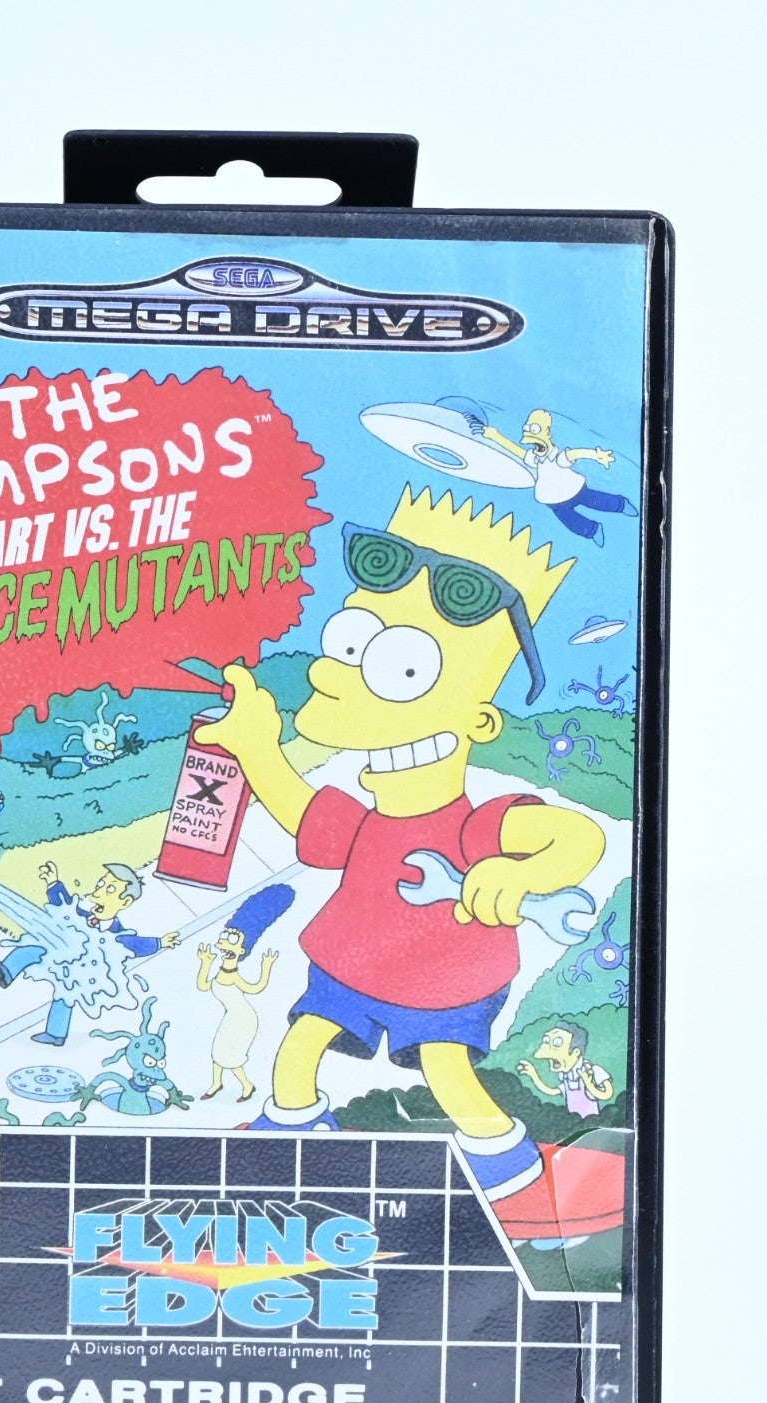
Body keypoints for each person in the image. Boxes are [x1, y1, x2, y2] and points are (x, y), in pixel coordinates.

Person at [195, 493, 606, 1210]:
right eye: (348, 645)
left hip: (443, 982)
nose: (330, 672)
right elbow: (307, 817)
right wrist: (257, 746)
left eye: (400, 667)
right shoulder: (372, 820)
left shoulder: (471, 827)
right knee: (300, 1048)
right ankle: (292, 1130)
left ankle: (504, 1159)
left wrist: (521, 874)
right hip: (352, 964)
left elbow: (578, 838)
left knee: (447, 1070)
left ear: (480, 720)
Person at [0, 861, 180, 1046]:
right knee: (34, 949)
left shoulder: (116, 935)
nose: (99, 890)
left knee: (65, 995)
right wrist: (54, 883)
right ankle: (7, 971)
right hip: (60, 955)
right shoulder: (84, 917)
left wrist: (160, 942)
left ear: (125, 902)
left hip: (84, 971)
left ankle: (56, 1034)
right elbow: (66, 908)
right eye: (101, 884)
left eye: (110, 889)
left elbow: (137, 945)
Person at [475, 407, 637, 547]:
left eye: (534, 428)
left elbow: (574, 454)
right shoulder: (535, 457)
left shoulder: (557, 457)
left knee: (597, 501)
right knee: (572, 522)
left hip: (575, 490)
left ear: (547, 432)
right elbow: (519, 452)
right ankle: (592, 530)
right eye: (527, 427)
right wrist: (496, 437)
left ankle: (620, 504)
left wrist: (595, 455)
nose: (528, 430)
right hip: (554, 501)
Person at [196, 883, 295, 1103]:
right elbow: (203, 985)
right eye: (226, 934)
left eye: (232, 938)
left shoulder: (233, 976)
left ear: (242, 949)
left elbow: (255, 988)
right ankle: (216, 1084)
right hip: (232, 1016)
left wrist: (266, 966)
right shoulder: (221, 971)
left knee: (230, 1055)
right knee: (218, 1052)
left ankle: (247, 1086)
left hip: (243, 1019)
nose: (225, 939)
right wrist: (205, 963)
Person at [517, 1022, 613, 1117]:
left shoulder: (594, 1070)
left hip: (592, 1121)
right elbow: (552, 1091)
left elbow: (607, 1095)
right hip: (573, 1120)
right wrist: (533, 1074)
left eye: (557, 1043)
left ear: (576, 1052)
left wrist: (588, 1084)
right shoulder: (566, 1076)